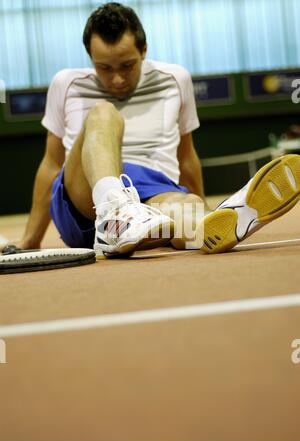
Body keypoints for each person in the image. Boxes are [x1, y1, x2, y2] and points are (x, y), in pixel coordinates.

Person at [10, 2, 300, 257]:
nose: (118, 79)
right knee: (102, 112)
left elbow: (186, 157)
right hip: (83, 197)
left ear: (144, 50)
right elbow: (51, 164)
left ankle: (208, 223)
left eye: (127, 65)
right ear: (89, 57)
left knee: (184, 206)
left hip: (150, 192)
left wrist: (201, 203)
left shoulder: (176, 79)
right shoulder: (66, 83)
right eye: (104, 68)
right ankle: (114, 212)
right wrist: (29, 241)